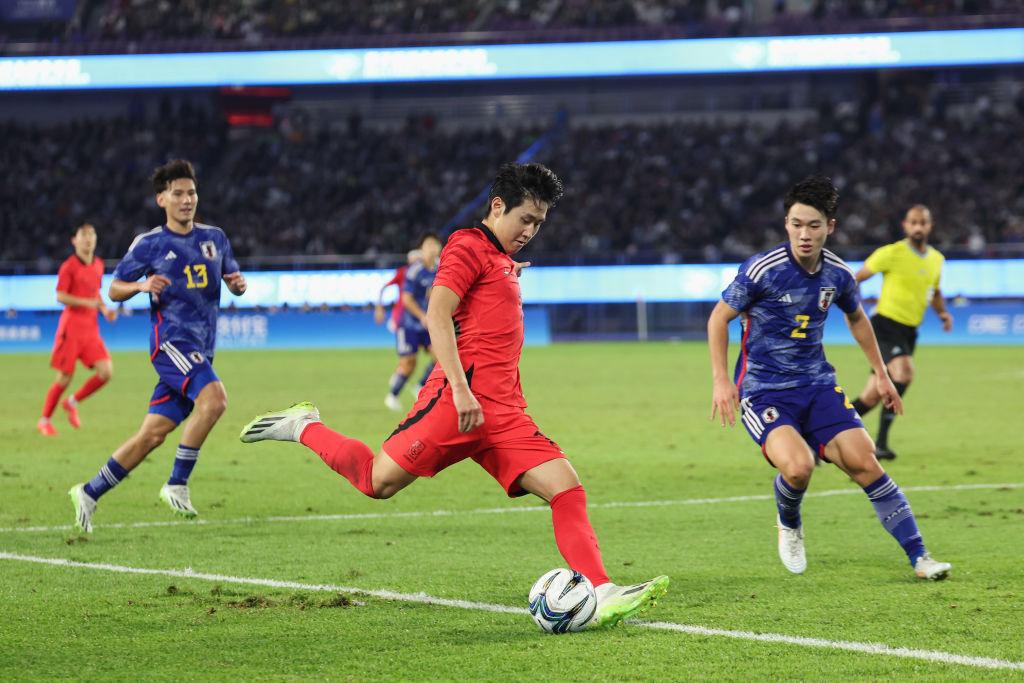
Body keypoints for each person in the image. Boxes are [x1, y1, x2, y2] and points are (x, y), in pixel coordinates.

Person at [240, 162, 669, 627]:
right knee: (376, 482)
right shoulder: (466, 245)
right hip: (455, 405)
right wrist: (462, 391)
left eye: (539, 223)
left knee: (567, 488)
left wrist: (504, 272)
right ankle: (303, 425)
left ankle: (601, 590)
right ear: (497, 206)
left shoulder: (499, 259)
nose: (530, 231)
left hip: (504, 413)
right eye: (525, 219)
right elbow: (437, 314)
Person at [707, 175, 951, 580]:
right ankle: (789, 521)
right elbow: (718, 318)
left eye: (813, 225)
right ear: (786, 224)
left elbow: (857, 318)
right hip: (764, 392)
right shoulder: (762, 270)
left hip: (818, 386)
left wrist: (881, 374)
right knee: (799, 468)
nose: (804, 235)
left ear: (830, 227)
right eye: (796, 224)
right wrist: (721, 380)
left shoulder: (837, 274)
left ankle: (921, 558)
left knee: (865, 463)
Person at [68, 159, 246, 532]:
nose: (187, 200)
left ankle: (89, 491)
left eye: (191, 193)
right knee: (215, 400)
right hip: (171, 344)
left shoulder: (215, 238)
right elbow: (114, 289)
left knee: (152, 434)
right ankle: (177, 483)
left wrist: (236, 284)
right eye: (178, 194)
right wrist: (141, 285)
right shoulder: (150, 244)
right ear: (161, 199)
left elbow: (232, 277)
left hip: (201, 348)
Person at [850, 205, 953, 460]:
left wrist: (942, 313)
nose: (918, 227)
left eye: (923, 222)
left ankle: (820, 434)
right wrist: (852, 308)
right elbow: (856, 278)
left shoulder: (936, 259)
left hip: (909, 331)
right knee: (904, 372)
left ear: (930, 226)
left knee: (870, 397)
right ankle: (881, 443)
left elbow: (935, 292)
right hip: (885, 325)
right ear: (905, 225)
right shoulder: (891, 253)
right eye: (913, 222)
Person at [38, 223, 118, 436]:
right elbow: (60, 296)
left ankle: (71, 402)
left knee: (106, 372)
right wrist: (87, 302)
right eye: (84, 235)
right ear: (74, 240)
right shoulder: (69, 267)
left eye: (92, 234)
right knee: (65, 377)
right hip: (71, 328)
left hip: (91, 329)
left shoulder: (98, 264)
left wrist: (105, 310)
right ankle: (44, 420)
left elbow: (95, 293)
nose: (88, 239)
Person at [384, 234, 441, 411]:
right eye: (428, 245)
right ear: (422, 249)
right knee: (409, 363)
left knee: (440, 356)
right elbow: (407, 299)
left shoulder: (440, 268)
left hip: (428, 324)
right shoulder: (414, 270)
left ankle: (420, 385)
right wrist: (422, 316)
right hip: (409, 324)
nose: (432, 248)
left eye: (435, 245)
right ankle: (392, 395)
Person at [374, 249, 422, 334]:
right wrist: (379, 309)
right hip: (402, 312)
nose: (416, 264)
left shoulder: (426, 273)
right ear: (409, 261)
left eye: (418, 261)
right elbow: (383, 288)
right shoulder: (402, 272)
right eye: (414, 260)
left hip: (419, 310)